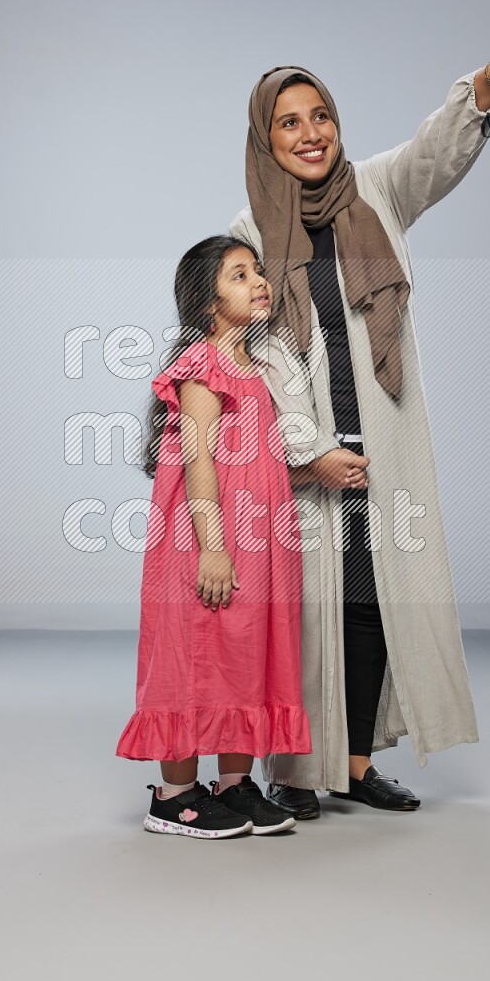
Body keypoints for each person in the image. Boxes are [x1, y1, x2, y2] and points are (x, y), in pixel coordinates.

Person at [230, 28, 490, 819]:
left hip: (387, 446)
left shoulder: (376, 190)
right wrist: (310, 453)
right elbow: (263, 357)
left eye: (320, 116)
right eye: (289, 122)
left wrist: (484, 84)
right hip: (309, 460)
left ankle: (357, 764)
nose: (310, 135)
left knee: (375, 601)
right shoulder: (248, 232)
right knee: (308, 612)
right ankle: (298, 772)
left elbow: (433, 154)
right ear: (265, 138)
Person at [116, 235, 314, 838]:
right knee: (189, 652)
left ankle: (234, 785)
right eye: (238, 275)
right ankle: (173, 796)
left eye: (257, 271)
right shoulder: (202, 364)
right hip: (211, 535)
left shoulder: (255, 368)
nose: (258, 282)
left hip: (257, 537)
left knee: (243, 651)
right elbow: (200, 459)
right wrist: (212, 545)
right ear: (207, 302)